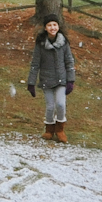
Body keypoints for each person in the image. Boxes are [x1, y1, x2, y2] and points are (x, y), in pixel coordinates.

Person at [27, 13, 76, 143]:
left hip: (61, 80)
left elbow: (69, 62)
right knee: (50, 107)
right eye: (49, 25)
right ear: (45, 28)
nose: (52, 27)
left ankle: (60, 130)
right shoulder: (40, 44)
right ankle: (49, 130)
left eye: (54, 25)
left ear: (58, 27)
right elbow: (35, 64)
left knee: (60, 104)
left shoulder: (64, 43)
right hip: (46, 80)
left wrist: (70, 80)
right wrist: (31, 83)